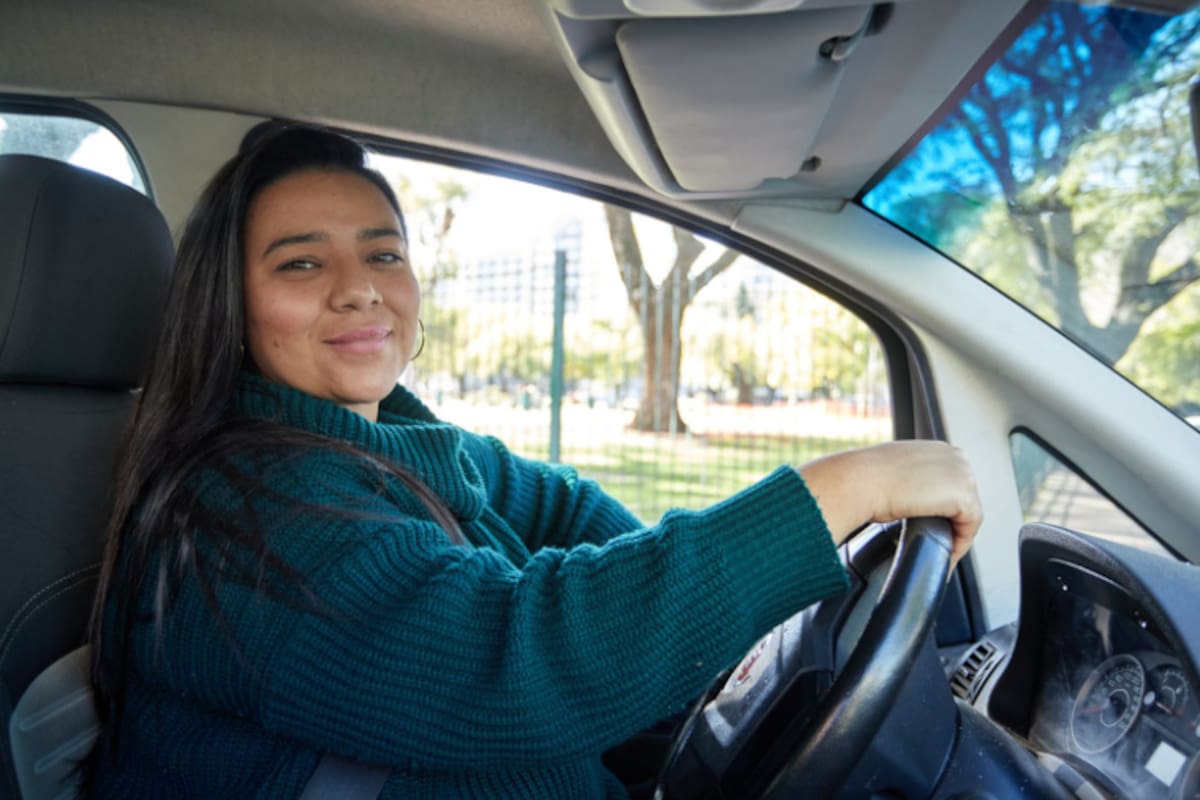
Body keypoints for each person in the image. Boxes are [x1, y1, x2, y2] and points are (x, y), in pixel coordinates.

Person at [87, 124, 982, 799]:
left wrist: (724, 650)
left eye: (383, 253)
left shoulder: (393, 442)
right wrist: (843, 490)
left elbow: (559, 506)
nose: (359, 287)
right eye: (299, 264)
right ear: (230, 305)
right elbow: (511, 659)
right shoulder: (239, 516)